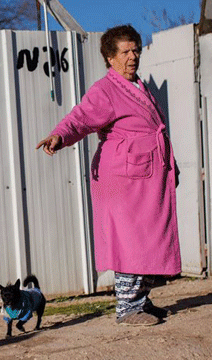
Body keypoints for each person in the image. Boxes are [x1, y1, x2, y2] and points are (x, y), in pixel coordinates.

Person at [36, 25, 180, 326]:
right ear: (110, 58)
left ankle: (140, 300)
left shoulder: (140, 87)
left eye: (135, 50)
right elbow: (81, 118)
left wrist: (171, 167)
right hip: (122, 177)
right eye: (125, 51)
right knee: (130, 240)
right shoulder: (106, 89)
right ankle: (127, 308)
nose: (133, 56)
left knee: (152, 240)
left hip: (149, 173)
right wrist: (59, 136)